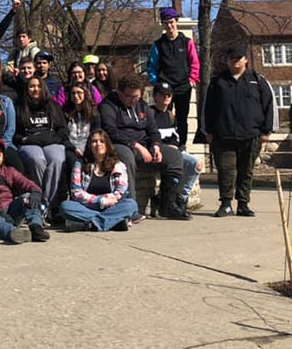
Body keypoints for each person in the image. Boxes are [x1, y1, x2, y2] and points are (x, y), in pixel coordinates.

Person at [99, 73, 186, 221]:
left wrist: (156, 146)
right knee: (127, 159)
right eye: (130, 97)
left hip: (145, 144)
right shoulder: (108, 106)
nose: (134, 100)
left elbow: (153, 130)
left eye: (137, 97)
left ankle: (169, 204)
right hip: (121, 144)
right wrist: (137, 146)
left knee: (175, 157)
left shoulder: (143, 106)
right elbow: (110, 131)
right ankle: (131, 208)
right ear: (120, 92)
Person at [204, 43, 273, 218]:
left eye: (238, 58)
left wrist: (267, 131)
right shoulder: (217, 82)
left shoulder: (258, 80)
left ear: (246, 60)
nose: (235, 62)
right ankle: (226, 204)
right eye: (231, 59)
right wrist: (208, 131)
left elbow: (269, 106)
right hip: (223, 135)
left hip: (251, 135)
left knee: (246, 171)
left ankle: (243, 204)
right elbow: (208, 108)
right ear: (227, 61)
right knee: (226, 171)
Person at [0, 138, 50, 243]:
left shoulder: (10, 171)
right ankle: (13, 232)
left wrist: (35, 192)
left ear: (3, 158)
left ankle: (36, 227)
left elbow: (28, 184)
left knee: (29, 196)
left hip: (11, 212)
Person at [60, 130, 138, 232]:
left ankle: (89, 225)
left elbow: (121, 192)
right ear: (89, 145)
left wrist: (107, 203)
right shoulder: (80, 165)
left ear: (107, 144)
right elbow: (76, 193)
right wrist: (101, 201)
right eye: (94, 141)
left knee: (131, 205)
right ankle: (114, 223)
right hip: (87, 207)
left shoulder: (119, 166)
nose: (98, 144)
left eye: (102, 141)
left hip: (111, 207)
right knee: (66, 206)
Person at [147, 7, 200, 146]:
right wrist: (155, 82)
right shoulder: (158, 45)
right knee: (163, 116)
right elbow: (151, 66)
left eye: (171, 22)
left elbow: (194, 62)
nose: (169, 26)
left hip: (183, 86)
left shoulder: (187, 42)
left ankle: (182, 145)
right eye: (166, 23)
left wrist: (192, 80)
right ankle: (164, 144)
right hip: (165, 88)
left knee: (182, 118)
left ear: (176, 22)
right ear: (163, 25)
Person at [150, 81, 204, 219]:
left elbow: (176, 137)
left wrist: (177, 146)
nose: (166, 97)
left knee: (195, 163)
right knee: (178, 162)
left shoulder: (170, 115)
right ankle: (169, 200)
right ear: (155, 96)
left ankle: (181, 198)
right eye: (162, 95)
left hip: (175, 150)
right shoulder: (150, 113)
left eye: (169, 95)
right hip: (159, 151)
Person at [14, 76, 68, 211]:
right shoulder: (20, 107)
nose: (35, 89)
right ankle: (38, 198)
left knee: (57, 159)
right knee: (37, 159)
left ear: (43, 88)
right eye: (31, 86)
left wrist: (50, 139)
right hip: (29, 142)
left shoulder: (53, 106)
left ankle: (48, 202)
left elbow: (63, 130)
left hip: (51, 141)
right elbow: (16, 133)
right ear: (27, 89)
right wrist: (26, 140)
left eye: (38, 86)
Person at [61, 82, 101, 164]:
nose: (76, 96)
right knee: (74, 161)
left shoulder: (93, 113)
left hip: (88, 147)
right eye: (73, 93)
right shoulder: (65, 112)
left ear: (85, 94)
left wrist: (87, 150)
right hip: (70, 148)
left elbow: (96, 133)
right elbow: (62, 135)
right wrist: (74, 149)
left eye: (79, 93)